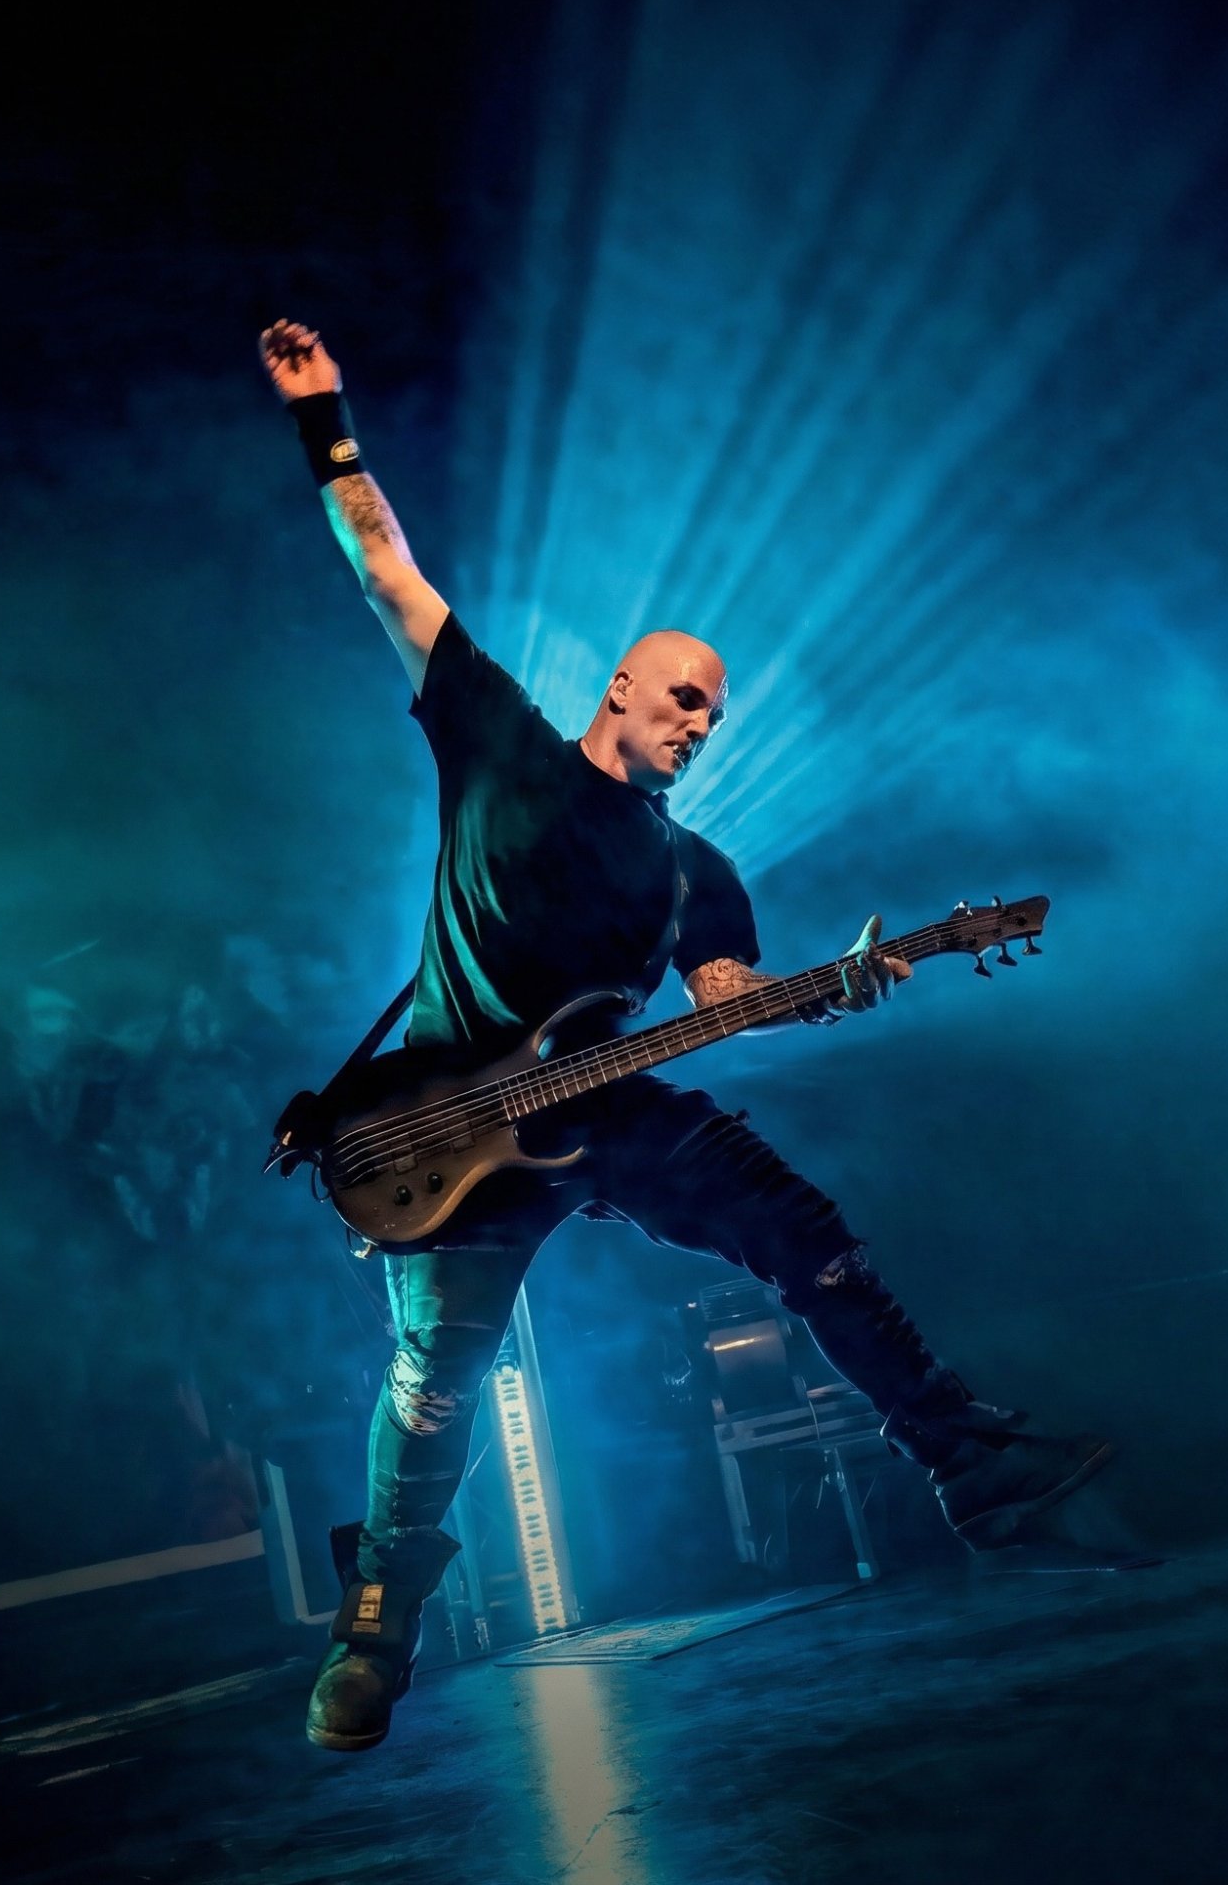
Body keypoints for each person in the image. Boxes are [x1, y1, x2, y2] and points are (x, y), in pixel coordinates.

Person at [258, 320, 1114, 1752]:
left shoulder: (699, 872)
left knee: (800, 1227)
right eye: (686, 699)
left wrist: (834, 987)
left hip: (604, 1101)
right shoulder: (500, 745)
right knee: (433, 1382)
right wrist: (325, 418)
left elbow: (724, 1006)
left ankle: (971, 1465)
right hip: (455, 1122)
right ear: (622, 691)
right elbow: (383, 568)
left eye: (717, 714)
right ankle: (377, 1624)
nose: (703, 726)